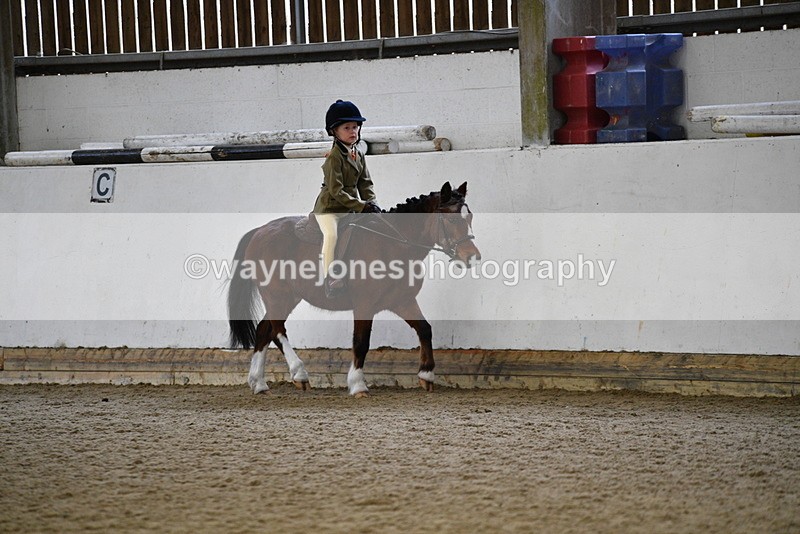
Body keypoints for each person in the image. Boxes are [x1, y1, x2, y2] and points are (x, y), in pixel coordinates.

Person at [313, 100, 381, 297]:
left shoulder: (358, 154)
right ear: (334, 131)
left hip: (351, 208)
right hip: (330, 210)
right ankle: (330, 277)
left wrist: (372, 204)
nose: (353, 132)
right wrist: (361, 206)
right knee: (331, 236)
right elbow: (336, 191)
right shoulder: (334, 157)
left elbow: (365, 183)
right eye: (347, 128)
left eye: (355, 127)